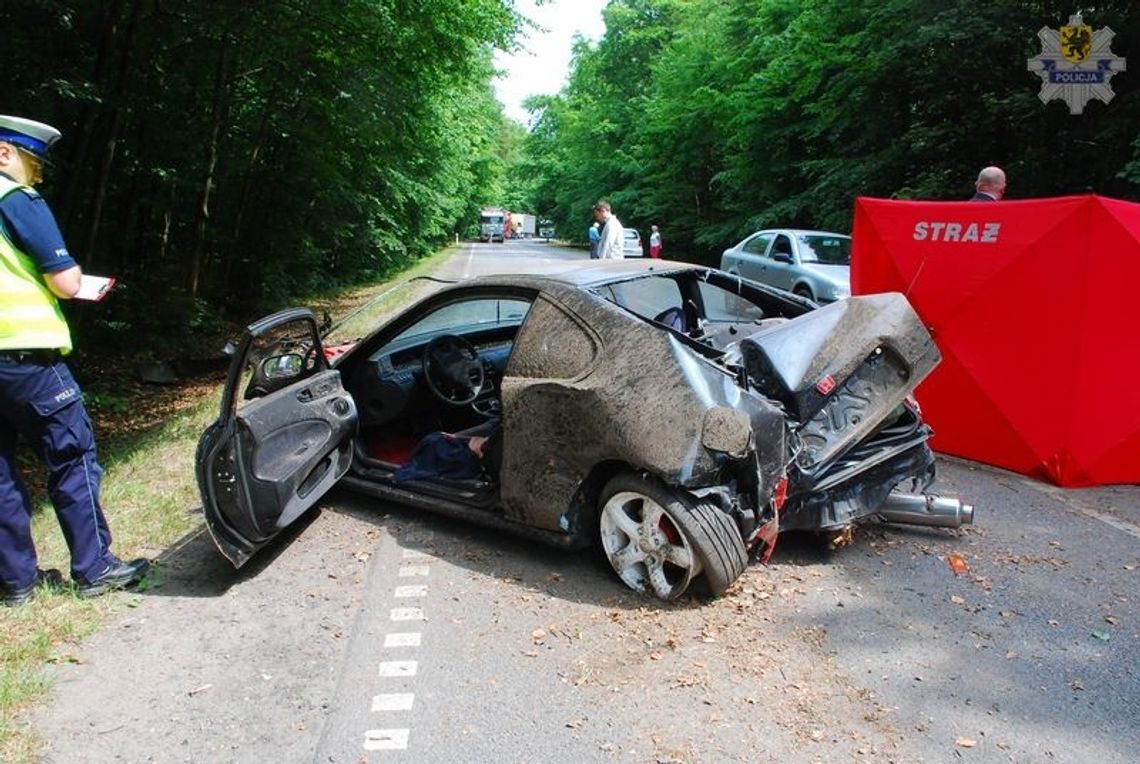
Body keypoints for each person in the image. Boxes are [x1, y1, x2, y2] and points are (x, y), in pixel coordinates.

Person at [0, 115, 148, 605]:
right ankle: (94, 567)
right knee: (72, 456)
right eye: (33, 165)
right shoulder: (16, 201)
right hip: (27, 358)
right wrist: (78, 280)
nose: (35, 177)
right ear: (5, 154)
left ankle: (16, 584)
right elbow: (64, 281)